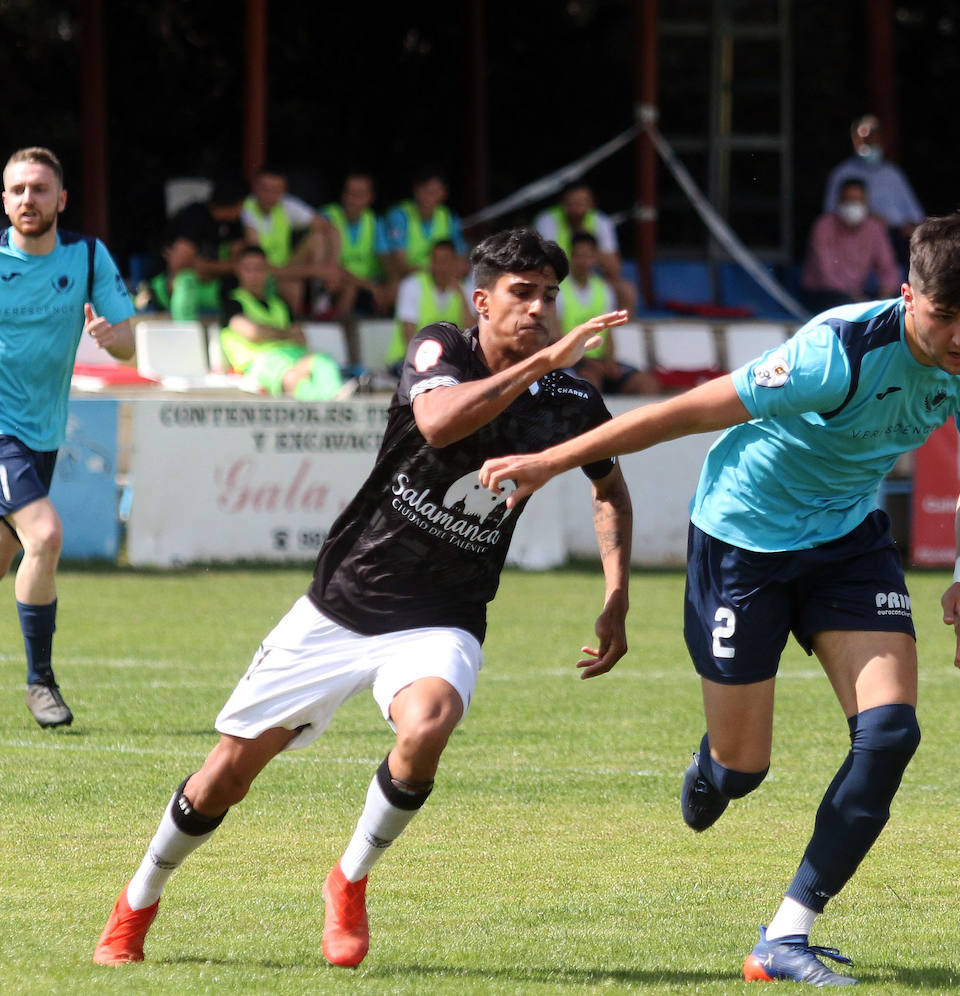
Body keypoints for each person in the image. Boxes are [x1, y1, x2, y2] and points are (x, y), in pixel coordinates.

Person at [479, 211, 960, 987]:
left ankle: (785, 936)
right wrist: (549, 460)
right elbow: (684, 412)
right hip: (742, 542)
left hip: (849, 544)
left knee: (891, 734)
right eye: (945, 317)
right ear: (906, 297)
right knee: (742, 767)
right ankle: (714, 768)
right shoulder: (838, 354)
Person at [92, 227, 635, 968]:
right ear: (481, 301)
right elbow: (441, 422)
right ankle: (137, 902)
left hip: (444, 614)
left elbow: (609, 488)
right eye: (522, 294)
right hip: (345, 601)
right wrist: (543, 359)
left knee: (430, 722)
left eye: (549, 295)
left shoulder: (572, 398)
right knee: (228, 774)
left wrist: (616, 594)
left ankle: (348, 880)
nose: (539, 308)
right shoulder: (439, 348)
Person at [0, 146, 135, 728]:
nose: (28, 199)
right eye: (17, 190)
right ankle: (42, 683)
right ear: (4, 200)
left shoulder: (86, 255)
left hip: (43, 432)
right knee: (46, 535)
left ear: (61, 199)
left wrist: (110, 336)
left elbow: (129, 343)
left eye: (39, 189)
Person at [218, 246, 347, 400]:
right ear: (238, 270)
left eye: (259, 269)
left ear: (267, 271)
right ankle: (328, 407)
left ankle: (335, 402)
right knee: (292, 379)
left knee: (323, 362)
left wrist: (269, 333)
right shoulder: (232, 303)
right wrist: (285, 334)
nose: (254, 275)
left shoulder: (279, 304)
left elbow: (301, 337)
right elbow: (253, 333)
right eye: (248, 269)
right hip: (258, 365)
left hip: (292, 358)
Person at [561, 232, 658, 395]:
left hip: (600, 362)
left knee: (646, 383)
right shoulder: (560, 290)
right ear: (570, 257)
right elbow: (556, 338)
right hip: (572, 361)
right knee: (591, 383)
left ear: (595, 258)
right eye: (578, 256)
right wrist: (590, 362)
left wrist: (609, 361)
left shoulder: (604, 289)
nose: (583, 261)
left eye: (588, 256)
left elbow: (609, 333)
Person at [241, 164, 342, 315]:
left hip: (286, 267)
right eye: (265, 189)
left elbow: (331, 229)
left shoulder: (287, 205)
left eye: (276, 190)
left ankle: (321, 299)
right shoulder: (247, 211)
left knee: (318, 237)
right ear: (255, 188)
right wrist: (316, 271)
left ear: (283, 191)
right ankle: (294, 324)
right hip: (261, 272)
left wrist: (333, 265)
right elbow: (259, 265)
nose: (270, 195)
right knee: (293, 287)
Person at [822, 114, 925, 261]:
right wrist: (869, 219)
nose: (869, 141)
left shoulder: (893, 174)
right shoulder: (842, 173)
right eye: (864, 137)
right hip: (856, 237)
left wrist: (909, 227)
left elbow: (916, 215)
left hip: (895, 238)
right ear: (854, 139)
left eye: (874, 136)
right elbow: (830, 214)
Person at [800, 177, 901, 313]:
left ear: (866, 202)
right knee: (846, 303)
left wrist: (885, 295)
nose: (853, 205)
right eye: (848, 200)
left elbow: (888, 267)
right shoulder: (824, 226)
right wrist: (855, 297)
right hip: (823, 293)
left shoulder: (874, 228)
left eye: (857, 200)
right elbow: (826, 273)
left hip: (858, 296)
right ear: (839, 202)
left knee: (896, 305)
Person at [153, 175, 248, 321]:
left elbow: (240, 265)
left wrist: (202, 266)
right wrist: (220, 268)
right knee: (186, 281)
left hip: (212, 285)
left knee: (247, 281)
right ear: (238, 203)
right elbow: (179, 268)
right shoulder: (194, 216)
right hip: (170, 286)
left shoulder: (234, 223)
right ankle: (186, 335)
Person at [534, 183, 637, 313]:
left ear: (592, 204)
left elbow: (614, 269)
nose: (577, 208)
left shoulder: (600, 221)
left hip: (591, 277)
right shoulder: (548, 220)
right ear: (562, 204)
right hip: (558, 279)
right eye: (572, 202)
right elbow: (547, 263)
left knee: (626, 290)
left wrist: (588, 241)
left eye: (582, 202)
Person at [388, 238, 471, 367]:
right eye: (436, 261)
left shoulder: (466, 289)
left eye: (446, 261)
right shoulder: (412, 285)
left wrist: (461, 295)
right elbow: (409, 337)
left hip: (450, 362)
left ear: (455, 263)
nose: (440, 267)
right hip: (408, 361)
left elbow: (470, 334)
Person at [320, 171, 393, 317]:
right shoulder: (327, 217)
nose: (351, 199)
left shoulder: (375, 222)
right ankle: (335, 330)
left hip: (369, 283)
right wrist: (371, 286)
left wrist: (390, 285)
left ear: (370, 198)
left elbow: (387, 262)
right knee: (350, 288)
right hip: (337, 284)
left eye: (359, 195)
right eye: (349, 193)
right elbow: (328, 266)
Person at [382, 166, 465, 283]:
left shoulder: (448, 217)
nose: (429, 196)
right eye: (425, 190)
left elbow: (461, 260)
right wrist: (438, 271)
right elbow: (400, 265)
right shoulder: (400, 215)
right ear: (415, 190)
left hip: (442, 279)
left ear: (444, 193)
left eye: (435, 191)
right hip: (411, 279)